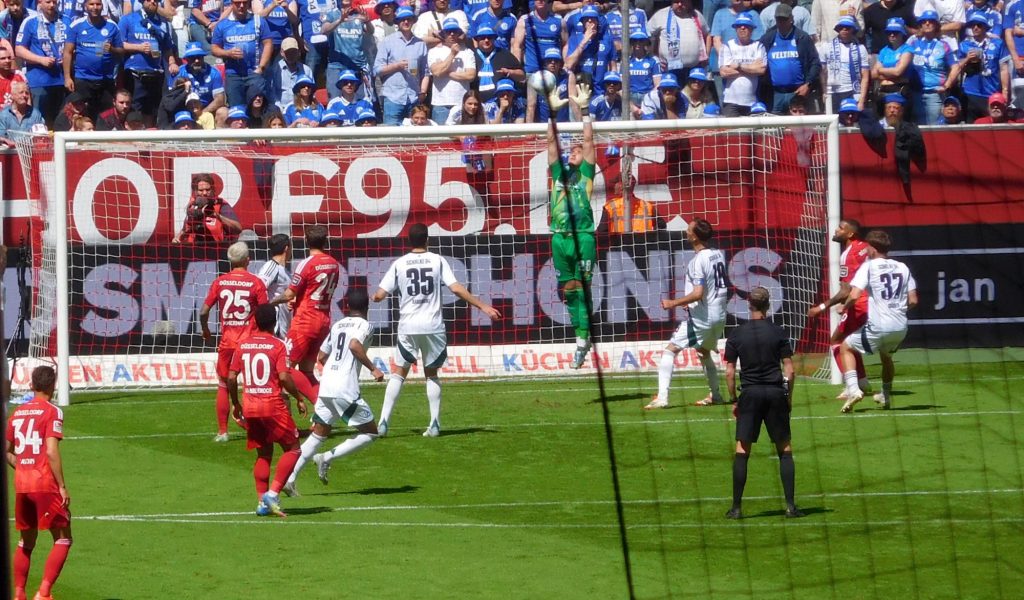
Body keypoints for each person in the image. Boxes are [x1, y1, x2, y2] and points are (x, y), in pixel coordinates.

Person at [372, 223, 500, 437]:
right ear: (427, 240)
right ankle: (434, 425)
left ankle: (383, 422)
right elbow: (456, 288)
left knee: (398, 373)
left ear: (409, 240)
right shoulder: (438, 260)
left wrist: (375, 297)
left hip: (408, 325)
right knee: (431, 375)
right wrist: (483, 306)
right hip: (433, 326)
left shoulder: (399, 263)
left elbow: (380, 294)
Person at [284, 288, 385, 493]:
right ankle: (327, 457)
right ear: (367, 306)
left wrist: (335, 369)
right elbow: (355, 345)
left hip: (326, 386)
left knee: (318, 435)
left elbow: (321, 356)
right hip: (344, 389)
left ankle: (289, 478)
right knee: (371, 433)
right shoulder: (365, 325)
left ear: (347, 307)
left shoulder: (338, 324)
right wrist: (373, 369)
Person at [723, 286, 802, 519]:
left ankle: (736, 508)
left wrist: (734, 400)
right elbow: (790, 370)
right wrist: (788, 397)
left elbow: (729, 373)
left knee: (742, 450)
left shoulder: (736, 334)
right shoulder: (778, 332)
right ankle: (790, 506)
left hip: (750, 393)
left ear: (749, 305)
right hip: (775, 392)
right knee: (784, 449)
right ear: (768, 305)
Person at [227, 304, 310, 517]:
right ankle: (273, 494)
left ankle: (262, 503)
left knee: (263, 454)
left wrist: (236, 403)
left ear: (254, 322)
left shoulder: (242, 345)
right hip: (273, 405)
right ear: (275, 323)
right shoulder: (278, 345)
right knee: (293, 449)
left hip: (251, 407)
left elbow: (231, 377)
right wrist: (299, 398)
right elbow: (283, 377)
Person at [5, 365, 73, 600]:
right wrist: (62, 485)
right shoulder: (52, 411)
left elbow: (6, 451)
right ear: (52, 386)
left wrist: (24, 465)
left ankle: (19, 594)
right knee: (63, 537)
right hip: (44, 484)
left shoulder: (16, 414)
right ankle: (43, 594)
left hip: (22, 486)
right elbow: (52, 451)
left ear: (32, 385)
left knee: (26, 541)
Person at [646, 217, 729, 409]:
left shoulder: (696, 261)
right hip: (719, 317)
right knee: (703, 352)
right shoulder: (717, 255)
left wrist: (673, 303)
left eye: (689, 229)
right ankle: (716, 395)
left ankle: (662, 398)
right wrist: (693, 302)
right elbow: (712, 287)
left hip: (702, 319)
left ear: (695, 237)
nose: (686, 231)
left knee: (670, 350)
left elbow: (698, 293)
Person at [545, 81, 597, 368]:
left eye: (577, 151)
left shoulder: (586, 175)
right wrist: (551, 114)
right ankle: (581, 338)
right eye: (572, 150)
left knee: (579, 287)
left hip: (583, 236)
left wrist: (585, 109)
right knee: (568, 290)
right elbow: (551, 144)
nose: (574, 151)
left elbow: (589, 141)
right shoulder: (557, 175)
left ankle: (581, 340)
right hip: (559, 237)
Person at [839, 229, 918, 412]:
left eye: (867, 247)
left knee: (846, 347)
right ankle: (885, 395)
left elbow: (854, 294)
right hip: (900, 326)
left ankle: (853, 390)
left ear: (872, 249)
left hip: (879, 326)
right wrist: (897, 309)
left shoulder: (868, 266)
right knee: (887, 358)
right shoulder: (902, 267)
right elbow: (913, 300)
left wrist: (844, 307)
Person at [199, 241, 269, 441]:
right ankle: (256, 428)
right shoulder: (256, 283)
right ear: (248, 260)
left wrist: (205, 330)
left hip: (227, 342)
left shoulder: (220, 282)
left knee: (223, 384)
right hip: (249, 342)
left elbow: (204, 311)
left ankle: (222, 432)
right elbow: (264, 312)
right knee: (252, 386)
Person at [269, 224, 341, 406]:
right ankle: (323, 412)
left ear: (306, 242)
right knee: (308, 371)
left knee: (284, 369)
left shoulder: (306, 264)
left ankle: (290, 420)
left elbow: (289, 294)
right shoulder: (333, 264)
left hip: (305, 322)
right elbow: (313, 290)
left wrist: (267, 304)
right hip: (323, 321)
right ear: (325, 241)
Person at [806, 218, 872, 400]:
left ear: (850, 234)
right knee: (850, 342)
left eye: (840, 228)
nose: (836, 230)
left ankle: (852, 387)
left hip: (859, 304)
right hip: (873, 304)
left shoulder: (848, 254)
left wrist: (821, 307)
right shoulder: (867, 247)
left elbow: (845, 291)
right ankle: (863, 382)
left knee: (836, 341)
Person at [63, 0, 125, 120]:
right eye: (91, 4)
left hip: (106, 80)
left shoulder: (112, 25)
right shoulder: (76, 25)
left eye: (98, 4)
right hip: (83, 79)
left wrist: (112, 49)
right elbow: (67, 52)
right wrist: (67, 77)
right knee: (83, 116)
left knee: (106, 116)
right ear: (85, 6)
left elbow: (121, 51)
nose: (95, 7)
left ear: (103, 6)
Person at [759, 2, 818, 114]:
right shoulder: (768, 38)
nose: (781, 22)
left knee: (799, 128)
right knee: (775, 129)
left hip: (798, 92)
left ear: (791, 19)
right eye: (779, 19)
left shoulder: (802, 37)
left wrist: (808, 84)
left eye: (784, 19)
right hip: (775, 93)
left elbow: (815, 62)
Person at [211, 0, 272, 107]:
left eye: (244, 2)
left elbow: (268, 43)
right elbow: (214, 48)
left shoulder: (258, 21)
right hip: (233, 74)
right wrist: (227, 53)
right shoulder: (222, 25)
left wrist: (261, 67)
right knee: (237, 109)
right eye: (238, 3)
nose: (242, 6)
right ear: (232, 4)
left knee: (257, 109)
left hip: (254, 72)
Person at [374, 6, 428, 125]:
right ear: (397, 22)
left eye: (409, 19)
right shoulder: (387, 41)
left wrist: (423, 91)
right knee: (392, 139)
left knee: (414, 138)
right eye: (402, 19)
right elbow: (377, 70)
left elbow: (425, 72)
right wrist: (396, 66)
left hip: (414, 98)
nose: (406, 22)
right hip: (393, 98)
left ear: (413, 21)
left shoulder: (421, 44)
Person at [15, 0, 65, 125]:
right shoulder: (30, 21)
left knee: (60, 121)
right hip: (39, 81)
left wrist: (69, 58)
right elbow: (19, 50)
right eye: (48, 2)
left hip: (62, 80)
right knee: (38, 120)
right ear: (40, 3)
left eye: (54, 2)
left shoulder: (66, 20)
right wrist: (40, 60)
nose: (52, 5)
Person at [906, 10, 960, 125]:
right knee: (917, 129)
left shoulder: (944, 44)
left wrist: (947, 85)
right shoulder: (912, 42)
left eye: (930, 21)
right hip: (915, 93)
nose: (927, 23)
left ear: (936, 25)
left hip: (935, 94)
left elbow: (956, 67)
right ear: (920, 25)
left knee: (933, 129)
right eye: (924, 21)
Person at [958, 13, 1011, 123]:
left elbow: (1003, 69)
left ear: (985, 27)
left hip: (992, 92)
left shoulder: (998, 43)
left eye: (979, 25)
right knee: (972, 129)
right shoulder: (964, 45)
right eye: (973, 25)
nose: (975, 27)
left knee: (993, 127)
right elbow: (958, 68)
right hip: (971, 92)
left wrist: (1005, 91)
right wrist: (967, 59)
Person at [427, 17, 476, 125]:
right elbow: (436, 72)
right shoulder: (434, 51)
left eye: (455, 31)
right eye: (449, 32)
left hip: (462, 103)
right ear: (443, 34)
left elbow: (470, 76)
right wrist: (452, 54)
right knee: (441, 139)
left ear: (459, 33)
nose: (452, 34)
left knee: (462, 138)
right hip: (440, 104)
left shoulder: (467, 52)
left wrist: (447, 72)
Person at [648, 0, 710, 82]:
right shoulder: (661, 15)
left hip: (694, 68)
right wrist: (654, 58)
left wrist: (707, 54)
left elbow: (708, 34)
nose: (680, 4)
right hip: (669, 69)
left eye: (683, 1)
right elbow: (647, 35)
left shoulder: (696, 15)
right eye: (676, 2)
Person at [172, 173, 243, 243]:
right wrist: (177, 238)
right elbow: (185, 229)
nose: (205, 193)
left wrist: (218, 216)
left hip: (216, 247)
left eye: (208, 189)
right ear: (195, 191)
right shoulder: (193, 206)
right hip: (194, 248)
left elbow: (238, 229)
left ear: (212, 189)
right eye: (201, 190)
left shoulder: (220, 204)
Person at [819, 15, 869, 114]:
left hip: (852, 91)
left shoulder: (861, 48)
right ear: (837, 29)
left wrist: (862, 100)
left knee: (852, 123)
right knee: (833, 124)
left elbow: (865, 76)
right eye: (841, 27)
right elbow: (822, 72)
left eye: (848, 27)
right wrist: (824, 91)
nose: (844, 29)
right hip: (832, 92)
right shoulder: (826, 47)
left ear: (853, 30)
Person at [719, 11, 766, 116]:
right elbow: (724, 72)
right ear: (735, 28)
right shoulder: (728, 46)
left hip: (752, 102)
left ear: (752, 29)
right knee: (732, 132)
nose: (742, 28)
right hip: (731, 102)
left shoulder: (758, 46)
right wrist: (751, 68)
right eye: (739, 26)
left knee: (750, 132)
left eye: (746, 26)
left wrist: (739, 66)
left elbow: (761, 70)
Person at [256, 232, 292, 338]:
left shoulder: (284, 270)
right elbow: (258, 289)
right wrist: (273, 302)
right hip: (276, 326)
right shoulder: (271, 267)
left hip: (285, 324)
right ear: (286, 248)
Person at [0, 80, 45, 144]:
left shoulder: (35, 114)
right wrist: (6, 141)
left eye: (27, 93)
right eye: (21, 92)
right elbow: (1, 136)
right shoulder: (4, 114)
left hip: (30, 150)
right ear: (12, 96)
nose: (24, 95)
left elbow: (41, 136)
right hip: (10, 151)